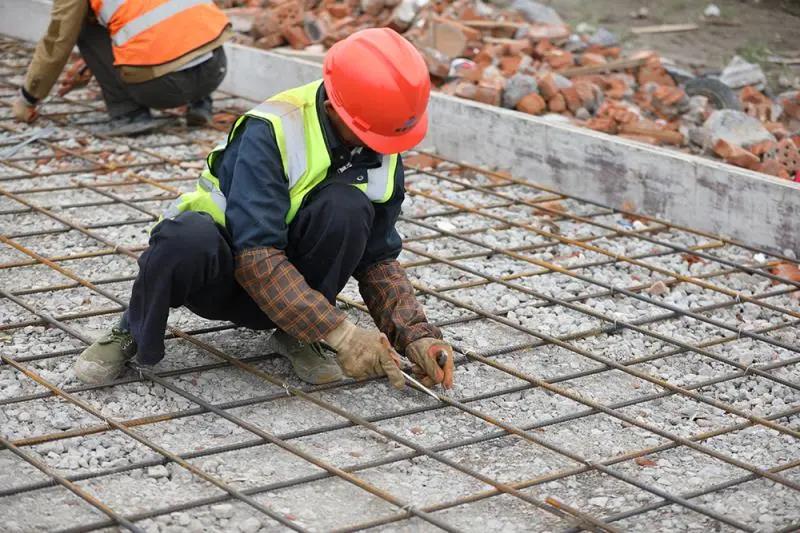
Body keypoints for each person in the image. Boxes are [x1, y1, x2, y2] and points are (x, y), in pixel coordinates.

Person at [73, 28, 455, 391]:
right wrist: (343, 334)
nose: (381, 147)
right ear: (333, 108)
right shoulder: (273, 129)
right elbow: (255, 256)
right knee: (185, 236)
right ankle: (131, 328)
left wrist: (415, 336)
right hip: (219, 274)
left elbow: (378, 258)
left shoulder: (380, 138)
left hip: (291, 290)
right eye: (372, 135)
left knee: (347, 207)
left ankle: (299, 333)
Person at [12, 0, 232, 135]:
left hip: (162, 88)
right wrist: (91, 64)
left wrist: (28, 97)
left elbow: (58, 41)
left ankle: (129, 114)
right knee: (182, 19)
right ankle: (201, 104)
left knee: (81, 24)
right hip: (214, 70)